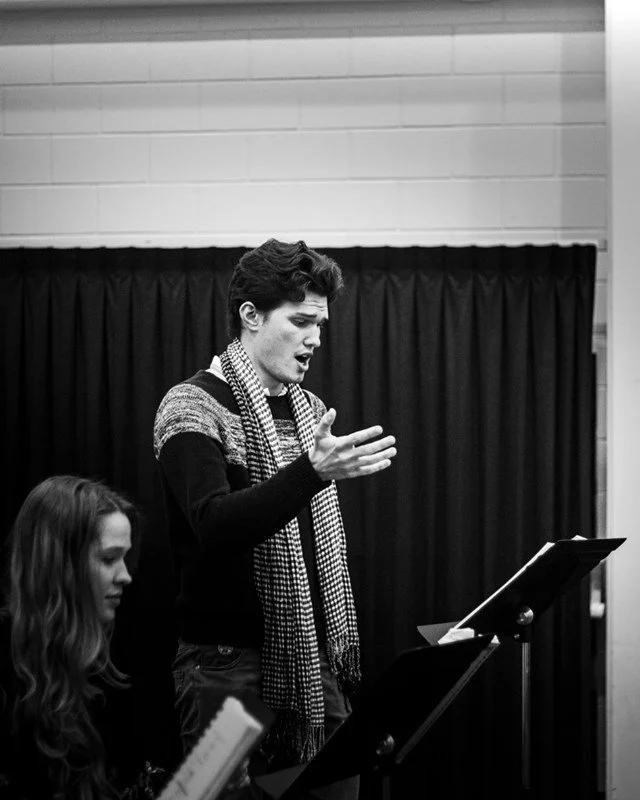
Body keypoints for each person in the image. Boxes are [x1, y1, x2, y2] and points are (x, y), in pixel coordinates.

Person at [153, 239, 396, 798]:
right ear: (250, 316)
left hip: (312, 663)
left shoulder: (309, 409)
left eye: (321, 324)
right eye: (302, 321)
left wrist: (313, 470)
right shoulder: (190, 404)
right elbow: (214, 524)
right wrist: (311, 471)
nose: (315, 339)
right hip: (222, 665)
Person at [0, 475, 167, 800]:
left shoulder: (101, 661)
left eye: (125, 557)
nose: (126, 575)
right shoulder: (6, 663)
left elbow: (122, 779)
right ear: (59, 563)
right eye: (108, 559)